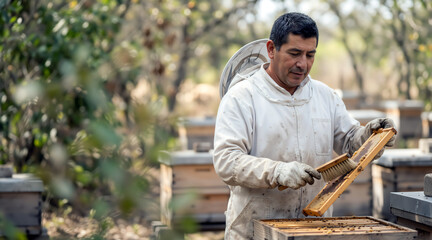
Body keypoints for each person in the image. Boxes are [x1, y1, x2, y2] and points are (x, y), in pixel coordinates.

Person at [213, 12, 396, 239]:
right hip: (255, 229)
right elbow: (226, 160)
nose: (303, 63)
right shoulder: (242, 97)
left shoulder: (324, 95)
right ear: (271, 49)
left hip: (314, 229)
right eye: (295, 53)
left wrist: (372, 135)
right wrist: (278, 171)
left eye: (310, 55)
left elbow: (350, 142)